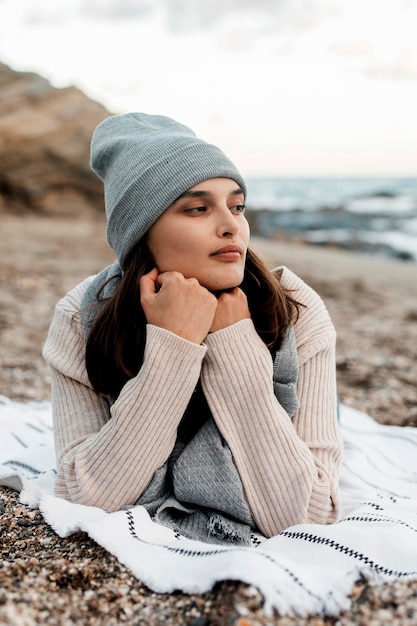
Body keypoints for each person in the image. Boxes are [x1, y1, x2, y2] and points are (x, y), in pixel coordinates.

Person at [43, 113, 342, 546]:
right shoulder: (83, 317)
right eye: (198, 208)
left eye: (237, 206)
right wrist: (174, 346)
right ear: (141, 233)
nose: (231, 226)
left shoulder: (295, 309)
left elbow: (308, 515)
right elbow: (88, 496)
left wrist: (234, 342)